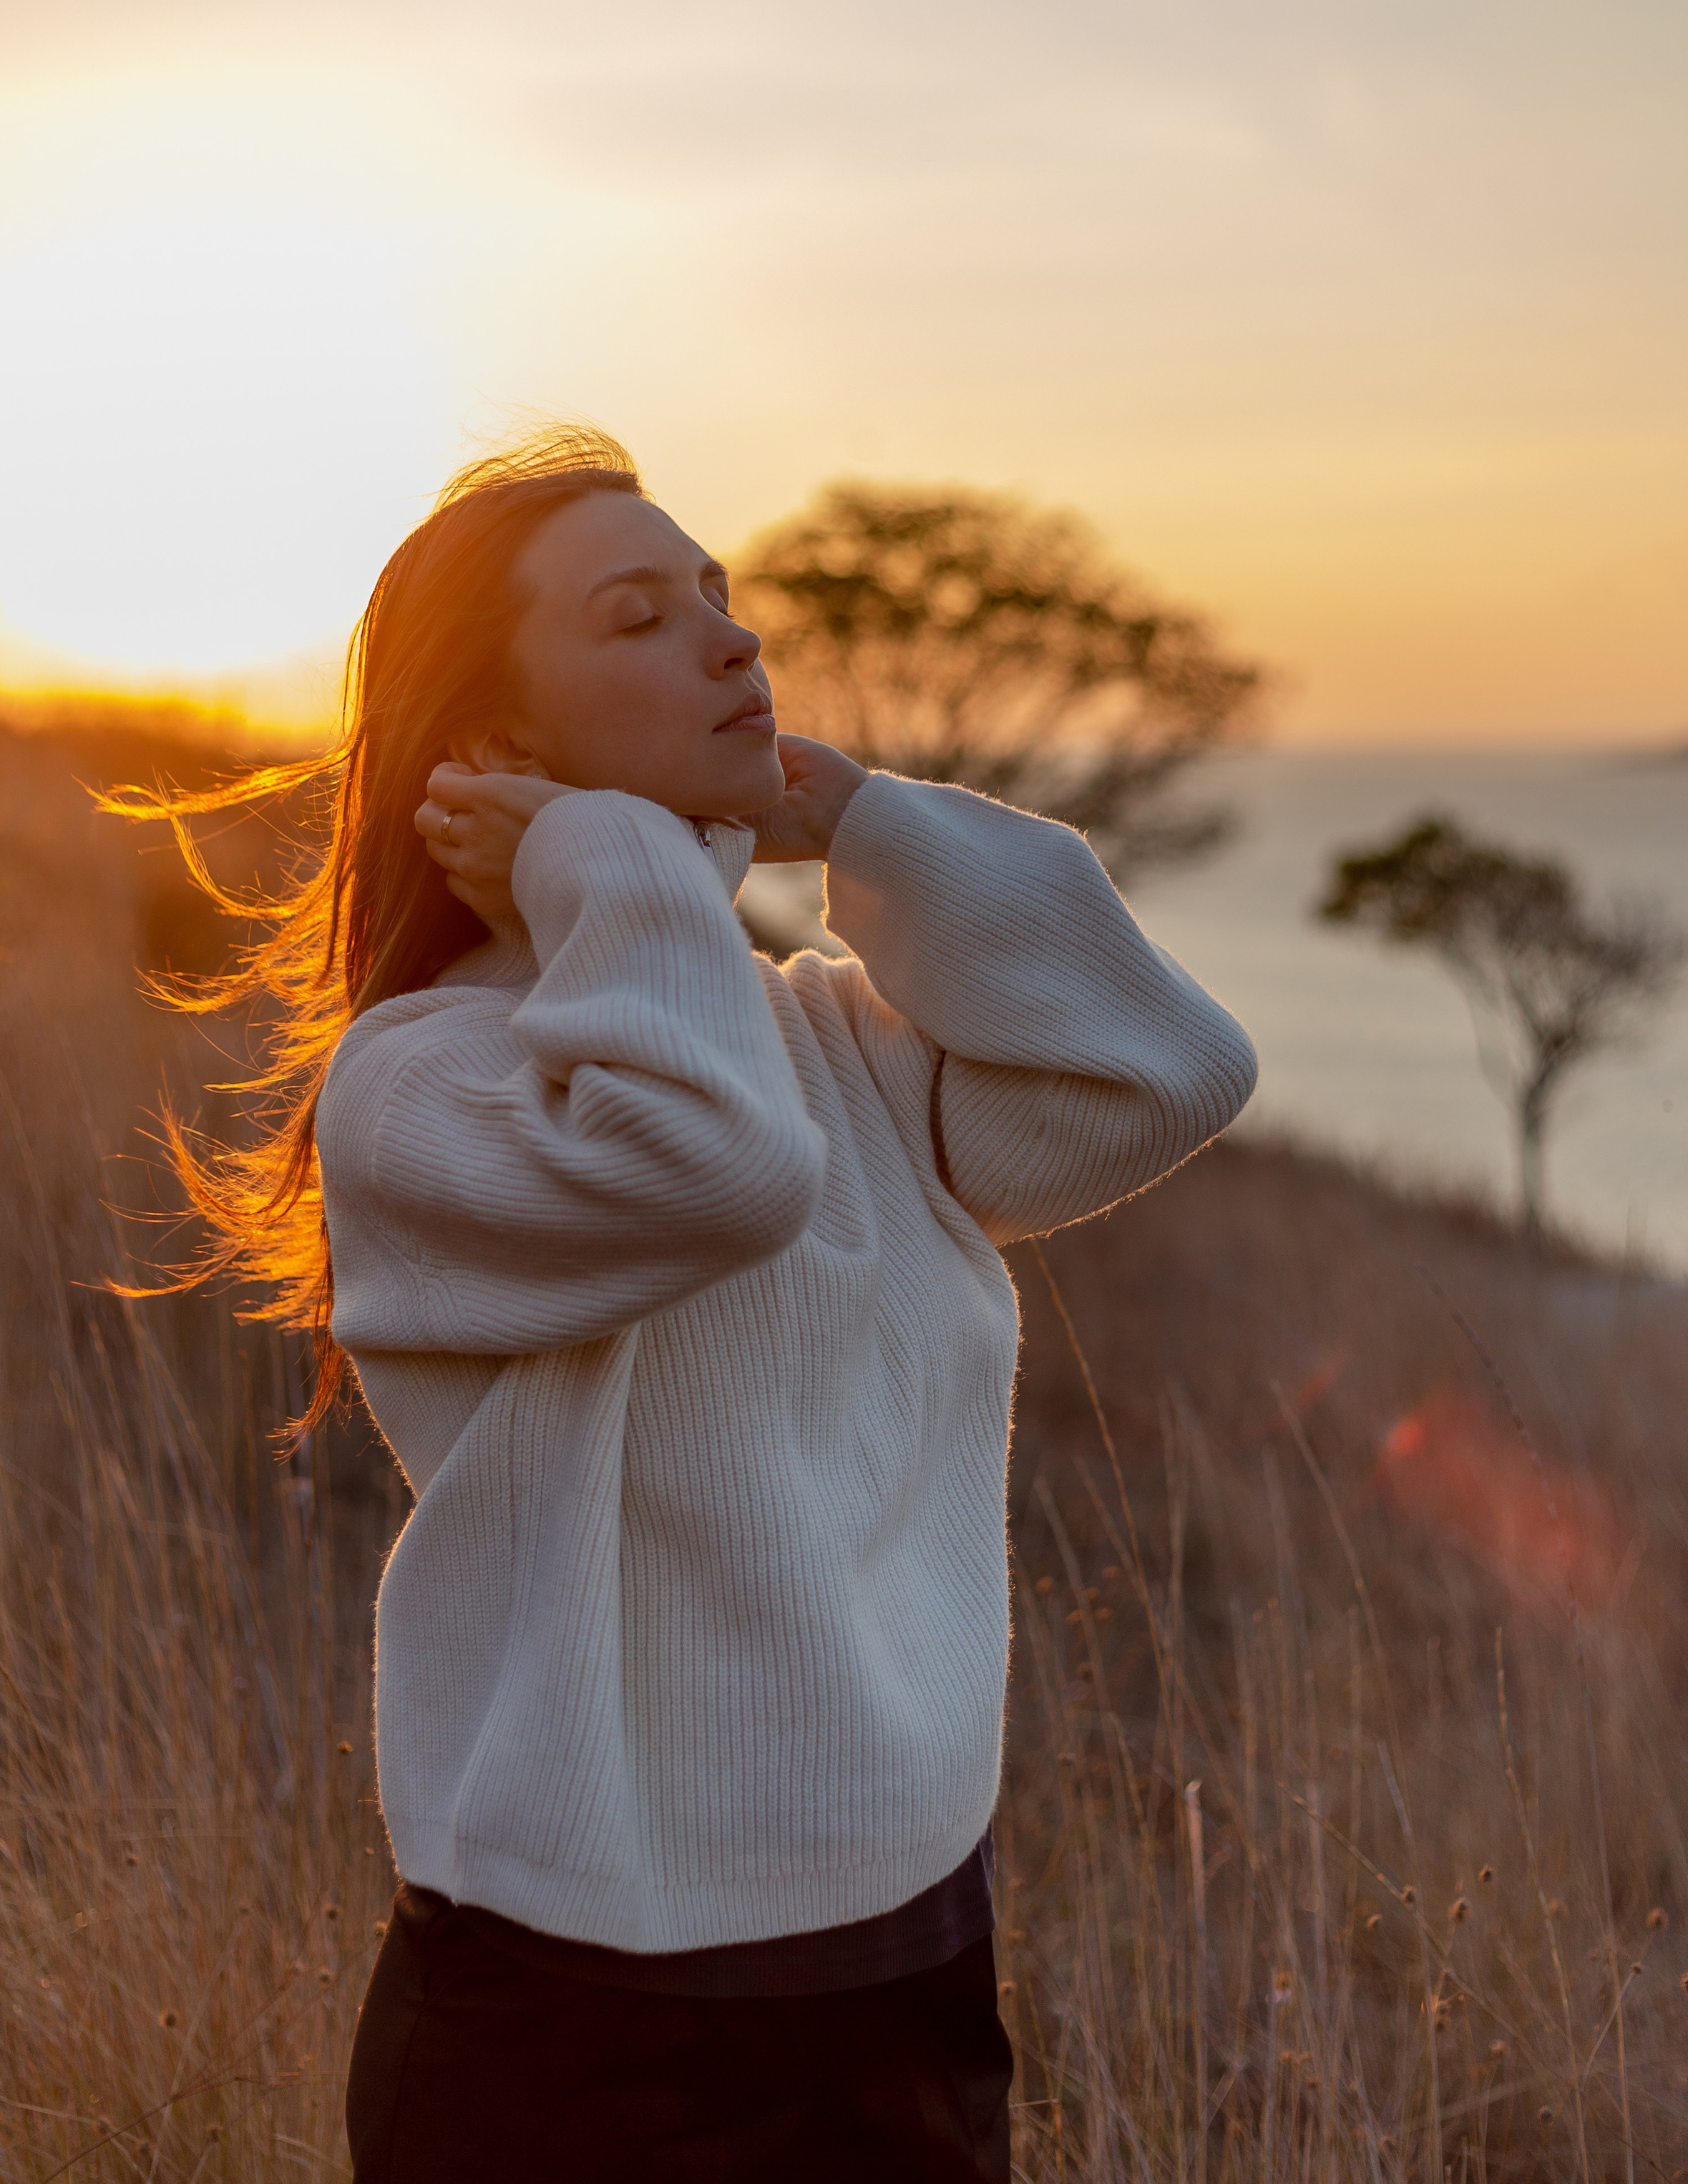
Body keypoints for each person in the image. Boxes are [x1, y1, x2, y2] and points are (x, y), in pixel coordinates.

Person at [137, 426, 1256, 2181]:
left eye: (721, 603)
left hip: (903, 1966)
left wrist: (857, 819)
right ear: (498, 748)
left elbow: (1164, 1068)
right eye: (638, 618)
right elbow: (716, 1176)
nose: (730, 643)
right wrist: (614, 862)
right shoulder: (419, 1087)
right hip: (580, 2025)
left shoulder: (827, 1042)